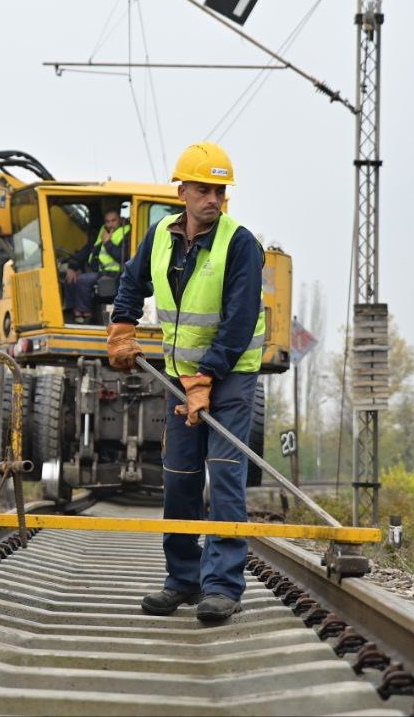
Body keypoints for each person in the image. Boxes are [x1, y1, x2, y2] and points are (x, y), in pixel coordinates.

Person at [104, 141, 265, 623]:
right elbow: (131, 281)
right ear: (182, 193)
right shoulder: (159, 236)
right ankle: (182, 579)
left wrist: (207, 377)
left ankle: (223, 586)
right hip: (180, 378)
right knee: (179, 478)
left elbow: (239, 320)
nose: (213, 199)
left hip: (230, 377)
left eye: (219, 191)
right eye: (203, 190)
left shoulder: (240, 244)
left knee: (226, 476)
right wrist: (122, 327)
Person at [62, 208, 130, 322]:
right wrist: (72, 266)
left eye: (113, 220)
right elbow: (89, 249)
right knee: (69, 277)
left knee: (82, 280)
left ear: (120, 219)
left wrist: (108, 243)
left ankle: (86, 313)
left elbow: (122, 257)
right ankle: (73, 311)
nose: (110, 224)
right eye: (107, 221)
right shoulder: (103, 231)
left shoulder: (126, 233)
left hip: (115, 273)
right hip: (97, 270)